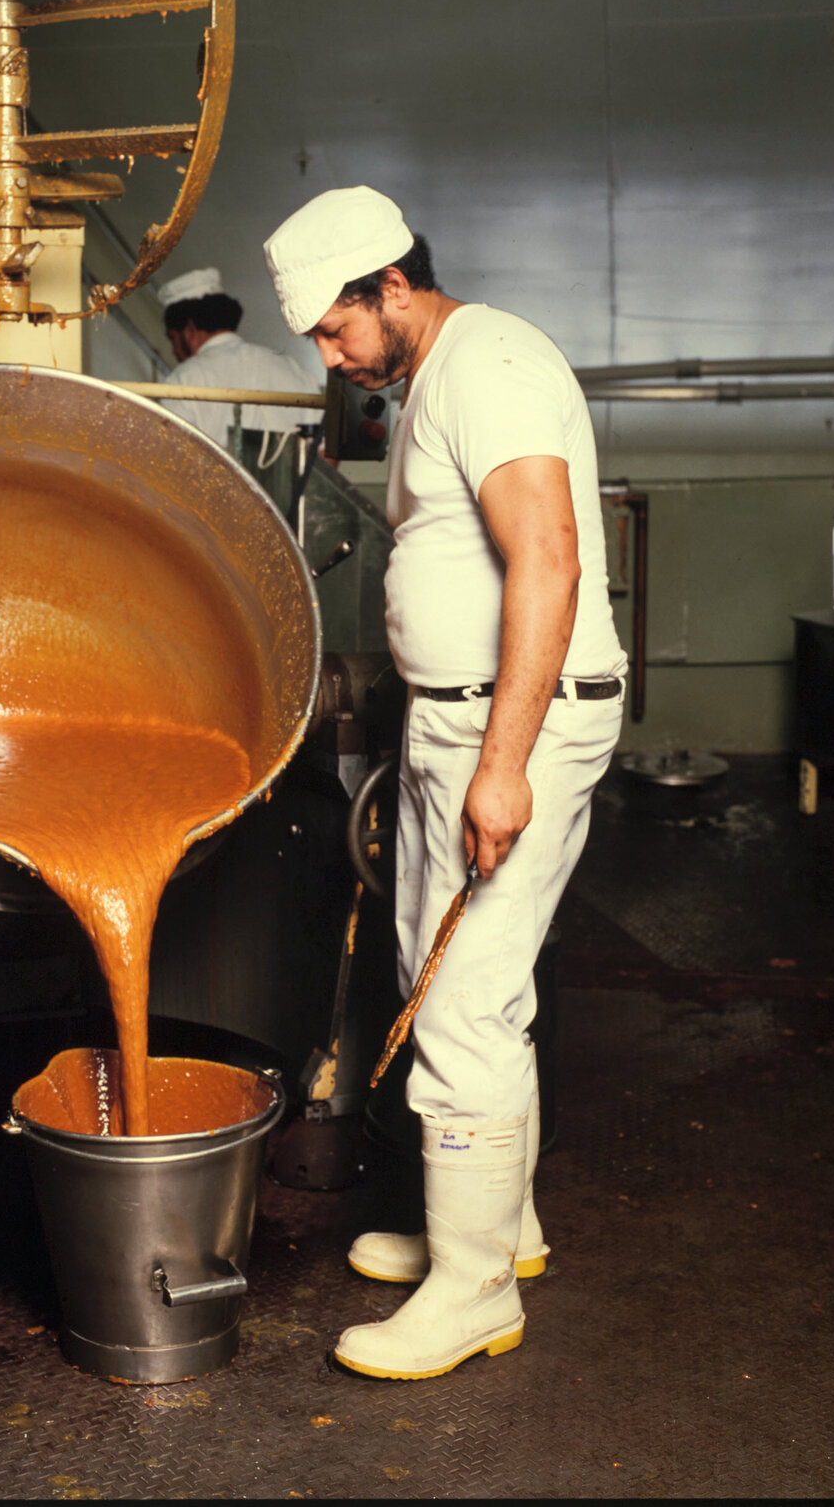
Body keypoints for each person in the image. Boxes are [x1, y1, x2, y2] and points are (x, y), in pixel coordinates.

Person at [263, 186, 627, 1381]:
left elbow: (550, 558)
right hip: (456, 723)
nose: (330, 353)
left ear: (392, 289)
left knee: (461, 1003)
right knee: (455, 973)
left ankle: (471, 1295)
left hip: (505, 729)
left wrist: (504, 765)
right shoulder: (433, 380)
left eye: (334, 327)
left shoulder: (490, 364)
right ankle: (491, 1229)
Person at [153, 267, 322, 453]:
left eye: (172, 338)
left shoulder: (182, 380)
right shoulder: (292, 368)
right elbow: (323, 453)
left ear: (189, 330)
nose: (175, 351)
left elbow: (168, 455)